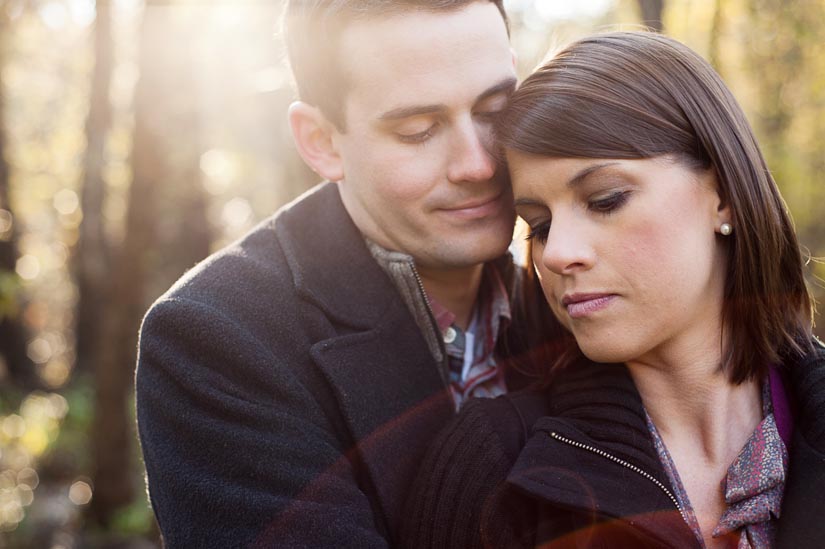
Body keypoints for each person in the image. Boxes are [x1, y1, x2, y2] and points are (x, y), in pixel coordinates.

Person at [135, 1, 558, 547]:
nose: (477, 164)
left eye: (496, 110)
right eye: (418, 130)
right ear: (321, 141)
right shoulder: (218, 338)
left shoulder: (581, 275)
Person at [402, 31, 825, 548]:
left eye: (605, 200)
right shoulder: (492, 466)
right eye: (538, 225)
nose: (557, 253)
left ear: (723, 196)